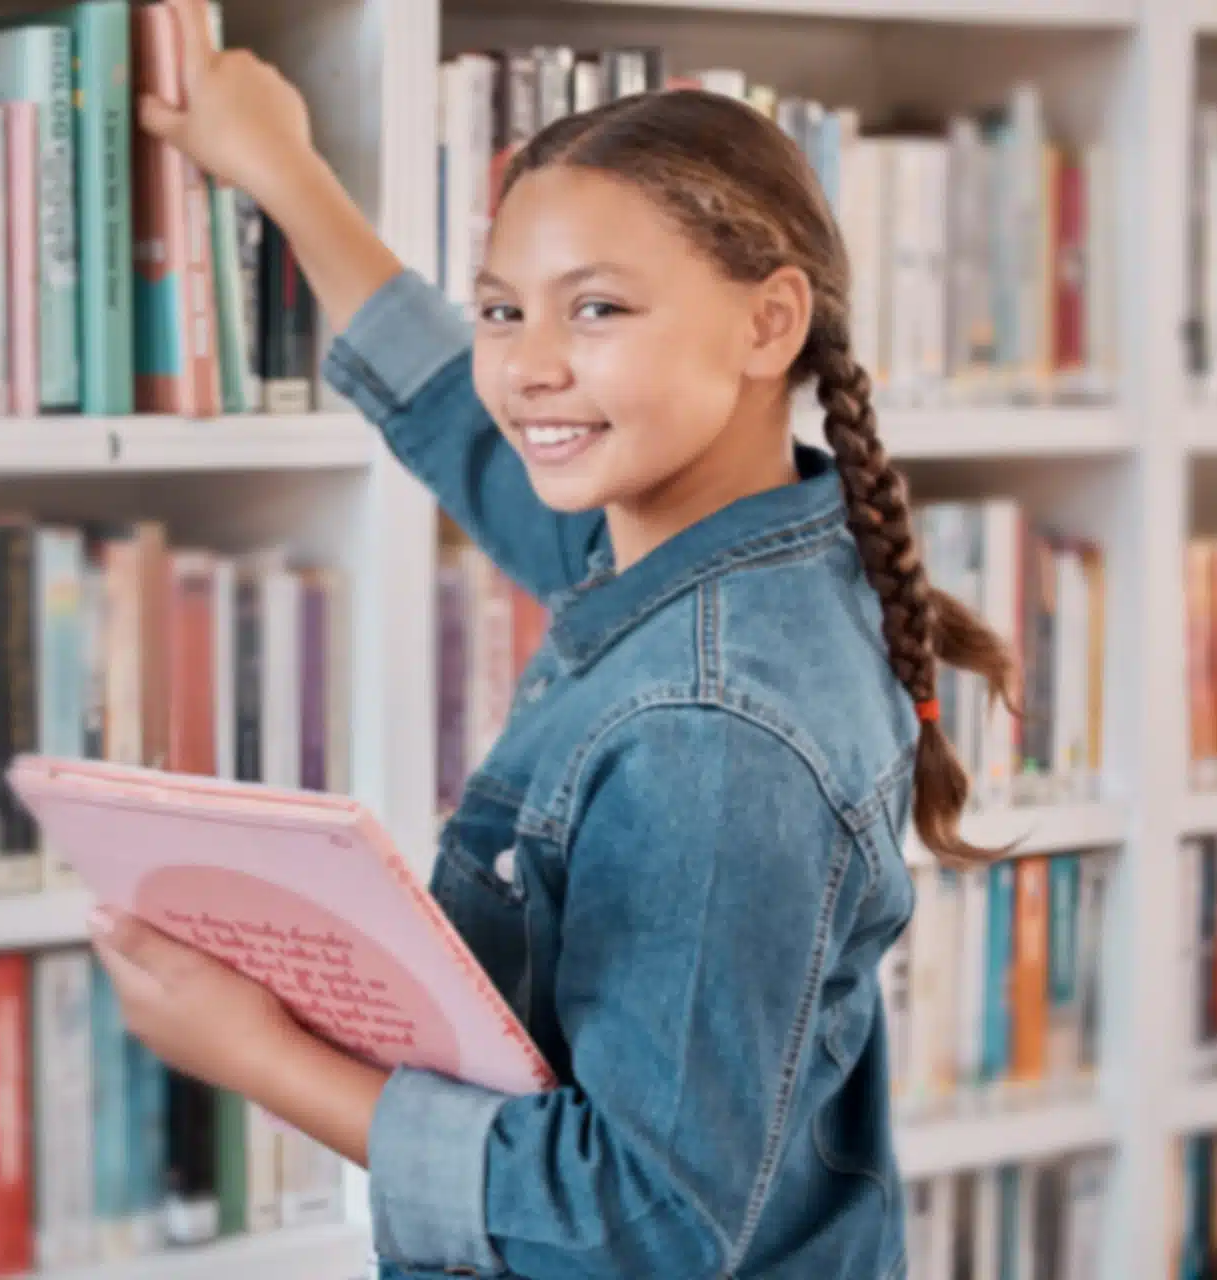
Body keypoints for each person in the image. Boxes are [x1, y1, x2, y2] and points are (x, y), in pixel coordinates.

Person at [84, 1, 1019, 1275]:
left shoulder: (711, 726)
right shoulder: (720, 542)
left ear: (769, 322)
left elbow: (638, 1220)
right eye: (502, 309)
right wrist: (285, 173)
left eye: (596, 311)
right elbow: (464, 427)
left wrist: (259, 1055)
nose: (525, 366)